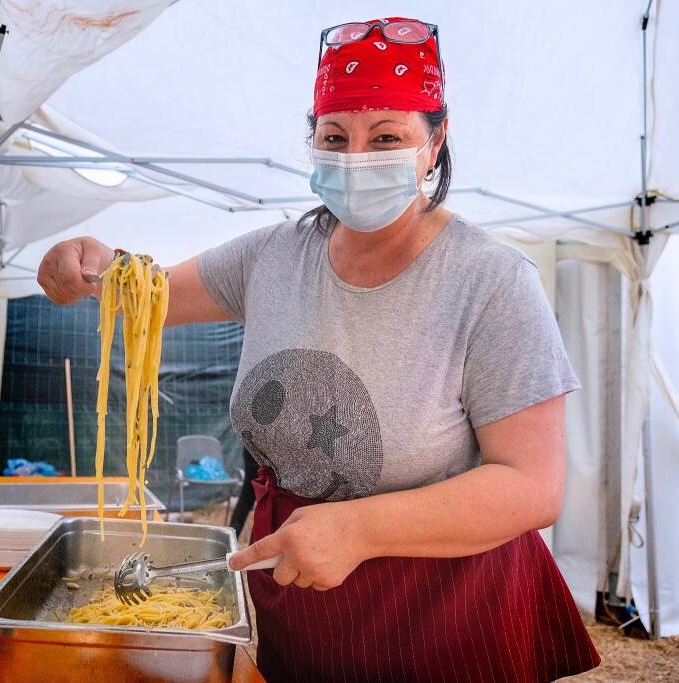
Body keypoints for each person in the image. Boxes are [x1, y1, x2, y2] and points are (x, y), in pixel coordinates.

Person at [37, 17, 599, 681]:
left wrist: (359, 529)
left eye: (386, 137)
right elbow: (143, 292)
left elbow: (532, 485)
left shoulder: (490, 281)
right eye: (336, 138)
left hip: (447, 614)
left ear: (435, 140)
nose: (356, 157)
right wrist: (90, 263)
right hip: (300, 601)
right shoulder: (275, 256)